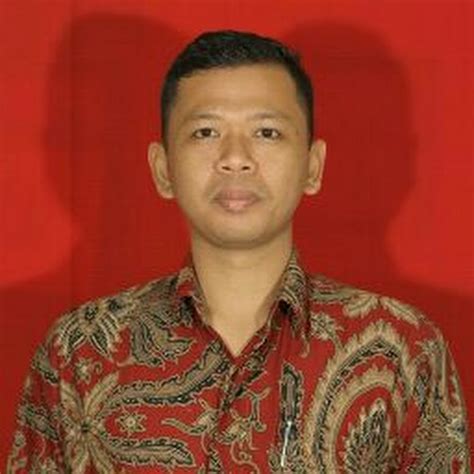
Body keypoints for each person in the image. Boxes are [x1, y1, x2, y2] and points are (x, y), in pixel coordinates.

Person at [7, 30, 470, 473]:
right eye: (205, 132)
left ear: (313, 166)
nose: (235, 157)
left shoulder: (402, 348)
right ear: (162, 169)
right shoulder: (81, 351)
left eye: (267, 132)